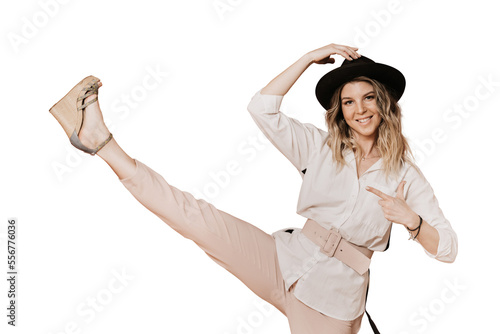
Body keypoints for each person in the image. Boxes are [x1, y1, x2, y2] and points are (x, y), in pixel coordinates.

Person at [48, 42, 458, 334]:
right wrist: (308, 57)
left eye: (368, 98)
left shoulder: (406, 175)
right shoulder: (320, 147)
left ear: (383, 103)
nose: (360, 109)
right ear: (340, 112)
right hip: (283, 259)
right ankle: (98, 139)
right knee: (194, 216)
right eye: (348, 102)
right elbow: (262, 108)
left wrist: (413, 221)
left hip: (333, 303)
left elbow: (448, 250)